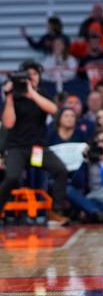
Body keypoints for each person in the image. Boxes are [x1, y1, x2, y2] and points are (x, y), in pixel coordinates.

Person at [1, 60, 69, 225]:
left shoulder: (41, 94)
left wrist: (32, 93)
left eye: (34, 74)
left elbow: (54, 111)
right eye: (28, 75)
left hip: (37, 149)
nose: (31, 77)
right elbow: (8, 124)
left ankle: (55, 211)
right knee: (12, 178)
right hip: (16, 147)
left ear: (39, 76)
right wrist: (9, 97)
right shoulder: (14, 97)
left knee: (60, 170)